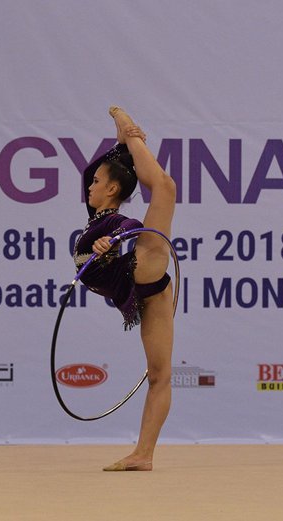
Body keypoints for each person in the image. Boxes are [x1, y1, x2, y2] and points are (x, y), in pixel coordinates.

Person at [72, 106, 177, 472]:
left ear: (113, 189)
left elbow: (130, 224)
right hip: (144, 291)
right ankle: (127, 137)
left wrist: (114, 240)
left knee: (165, 188)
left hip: (140, 271)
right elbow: (91, 172)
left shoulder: (115, 221)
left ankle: (143, 454)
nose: (90, 185)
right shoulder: (95, 219)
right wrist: (120, 144)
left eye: (97, 182)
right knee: (158, 374)